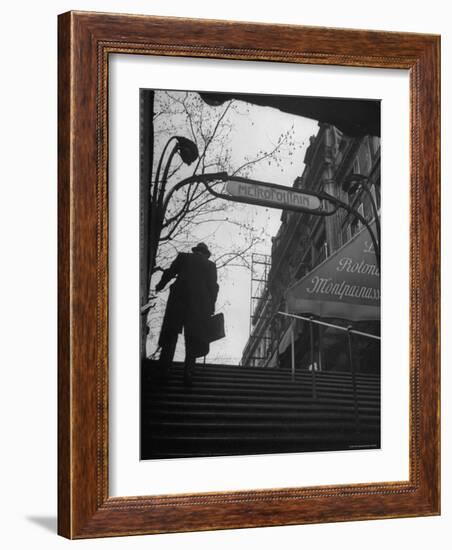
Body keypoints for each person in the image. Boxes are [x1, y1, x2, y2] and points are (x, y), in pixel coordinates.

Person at [155, 242, 219, 385]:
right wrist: (211, 307)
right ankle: (188, 372)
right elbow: (213, 288)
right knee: (192, 339)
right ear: (206, 254)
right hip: (198, 306)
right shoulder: (210, 266)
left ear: (196, 251)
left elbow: (170, 272)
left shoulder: (183, 257)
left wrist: (160, 286)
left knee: (171, 334)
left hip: (178, 301)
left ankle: (164, 369)